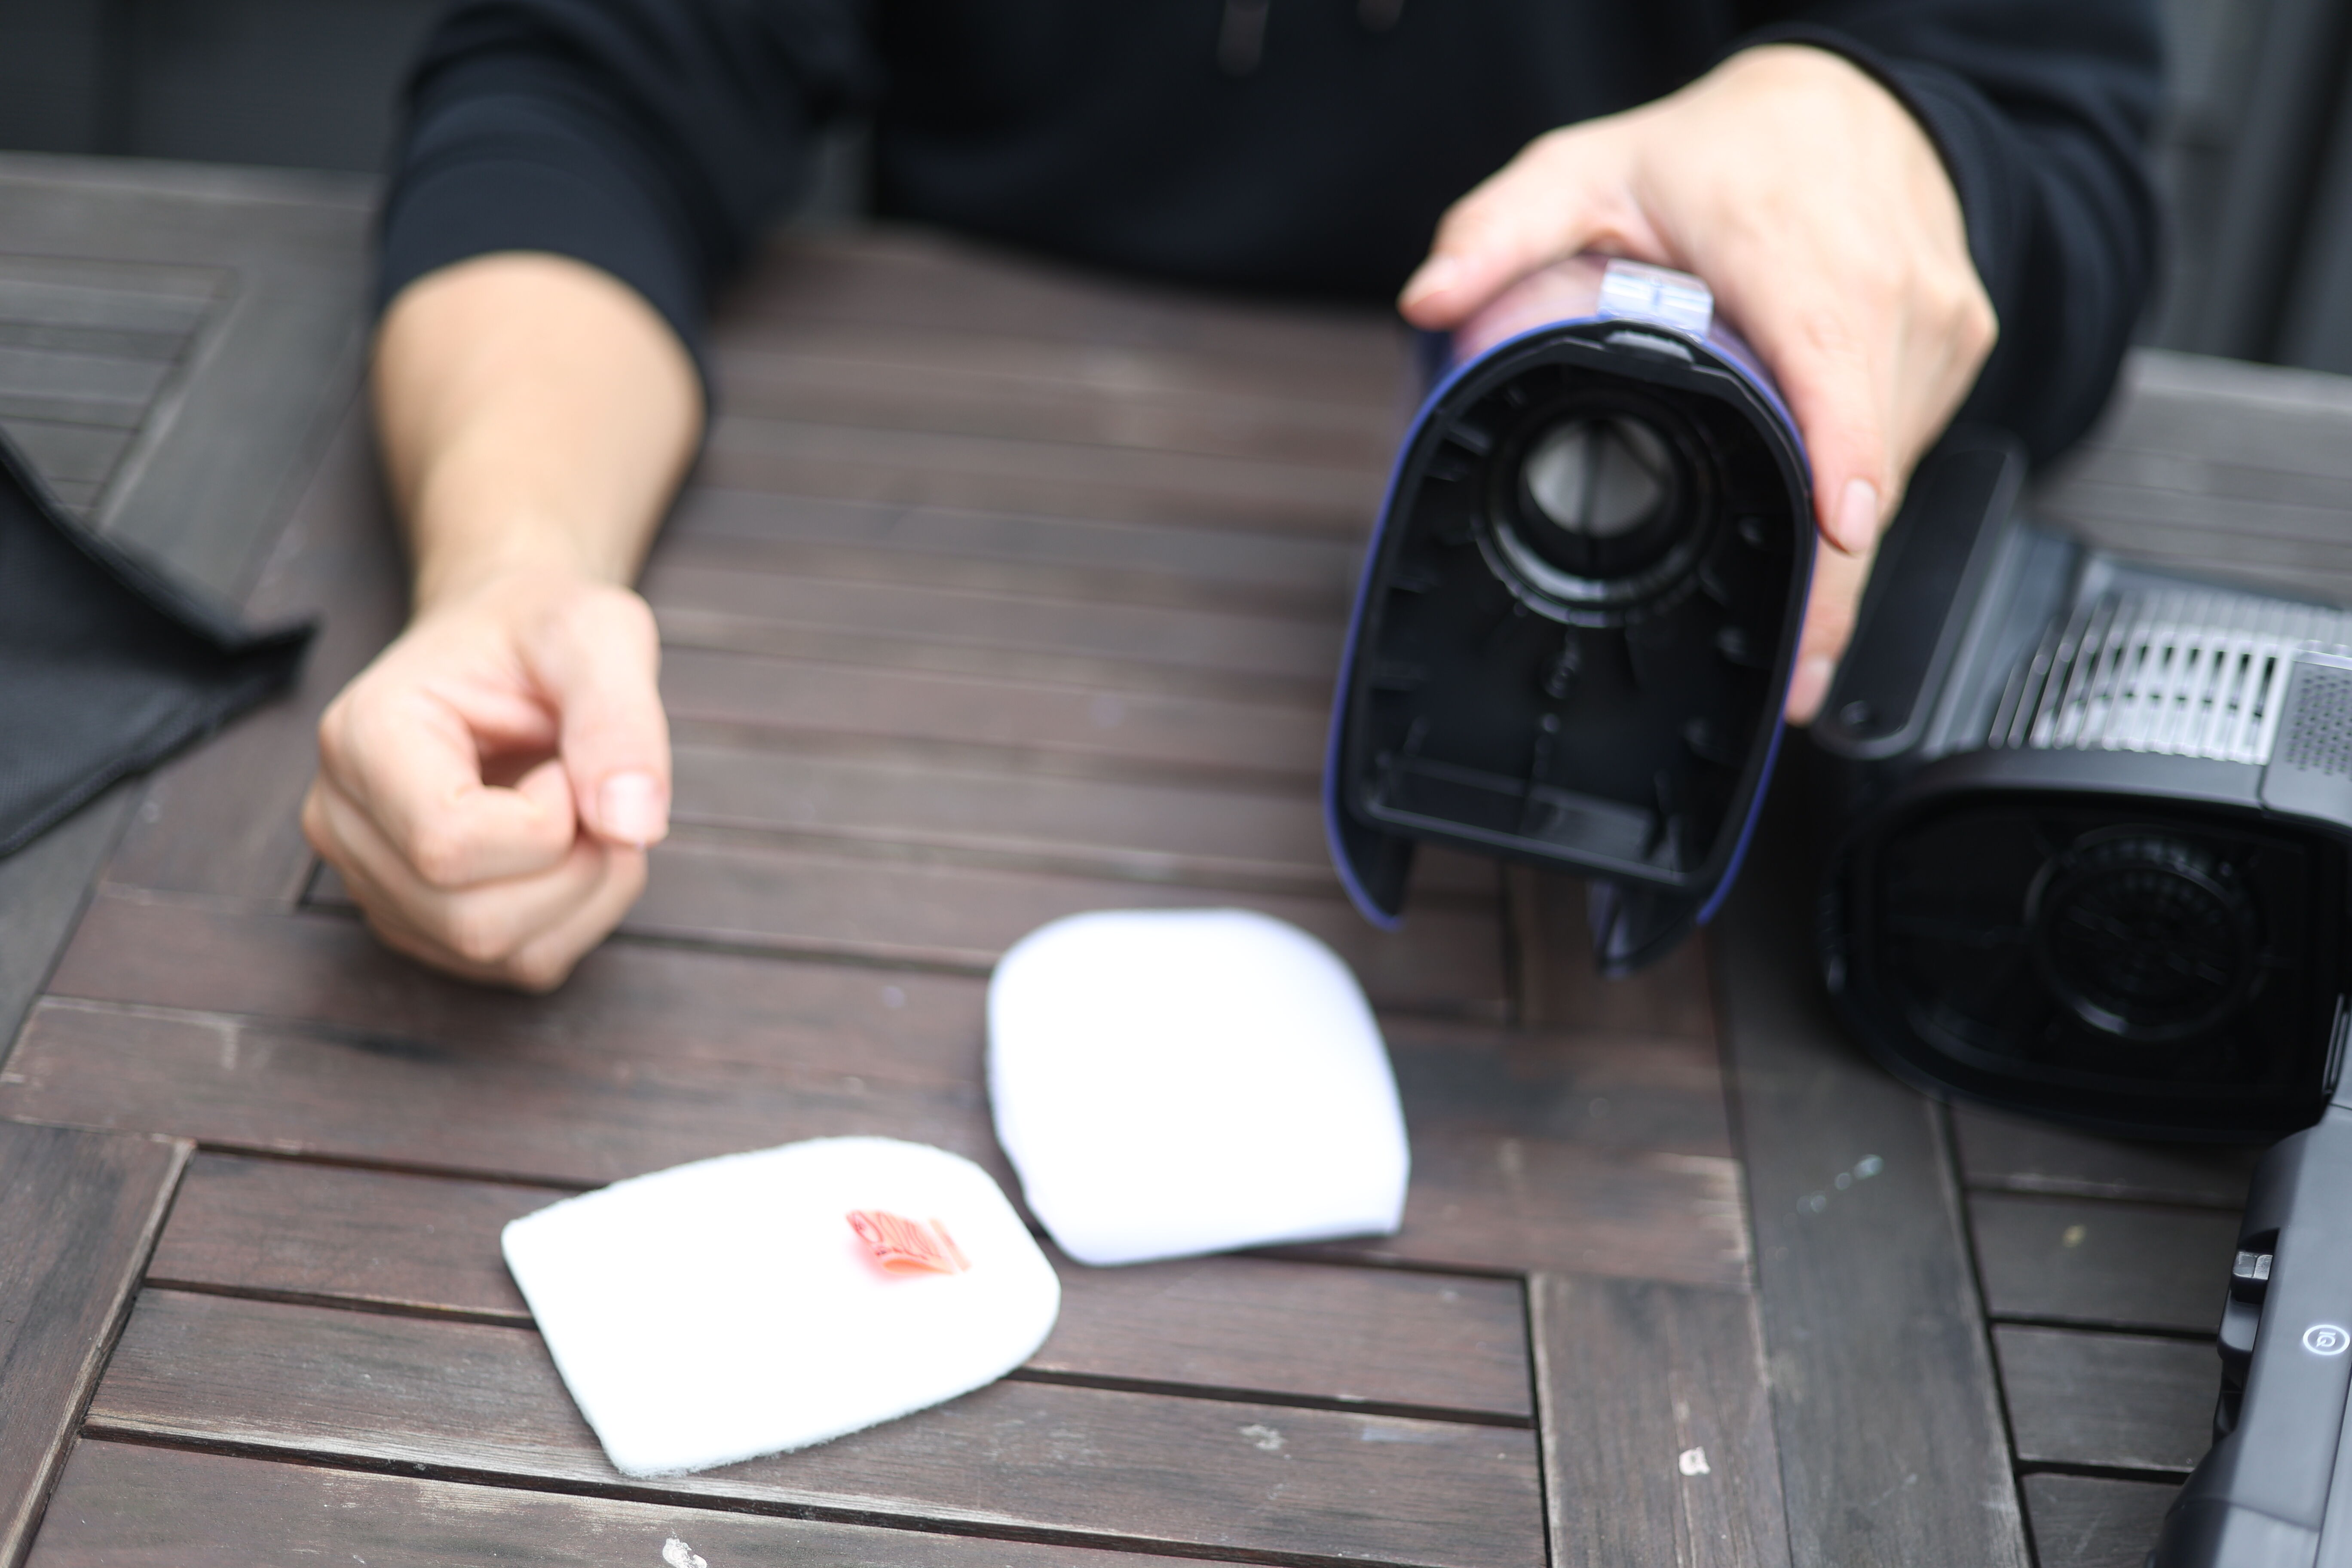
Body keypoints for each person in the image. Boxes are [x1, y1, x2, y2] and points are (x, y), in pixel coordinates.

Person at [303, 0, 2162, 990]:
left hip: (1682, 783)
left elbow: (2065, 172)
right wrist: (512, 567)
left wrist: (1883, 139)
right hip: (953, 605)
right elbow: (584, 86)